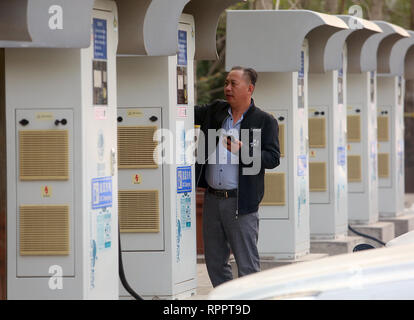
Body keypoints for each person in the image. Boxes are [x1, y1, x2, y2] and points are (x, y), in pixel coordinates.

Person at [194, 66, 280, 287]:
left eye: (233, 84)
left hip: (241, 202)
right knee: (214, 262)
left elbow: (273, 158)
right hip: (212, 200)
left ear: (249, 88)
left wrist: (244, 152)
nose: (227, 88)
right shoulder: (215, 111)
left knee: (247, 265)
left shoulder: (264, 120)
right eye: (225, 83)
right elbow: (184, 109)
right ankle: (229, 303)